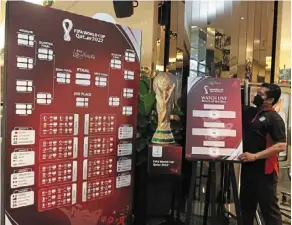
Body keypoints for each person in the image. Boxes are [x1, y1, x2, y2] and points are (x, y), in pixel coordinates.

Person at [239, 83, 287, 225]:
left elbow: (281, 145)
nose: (256, 96)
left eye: (261, 94)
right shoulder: (252, 113)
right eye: (257, 93)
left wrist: (255, 156)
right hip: (248, 169)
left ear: (270, 100)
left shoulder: (274, 119)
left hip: (265, 171)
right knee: (246, 207)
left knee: (269, 210)